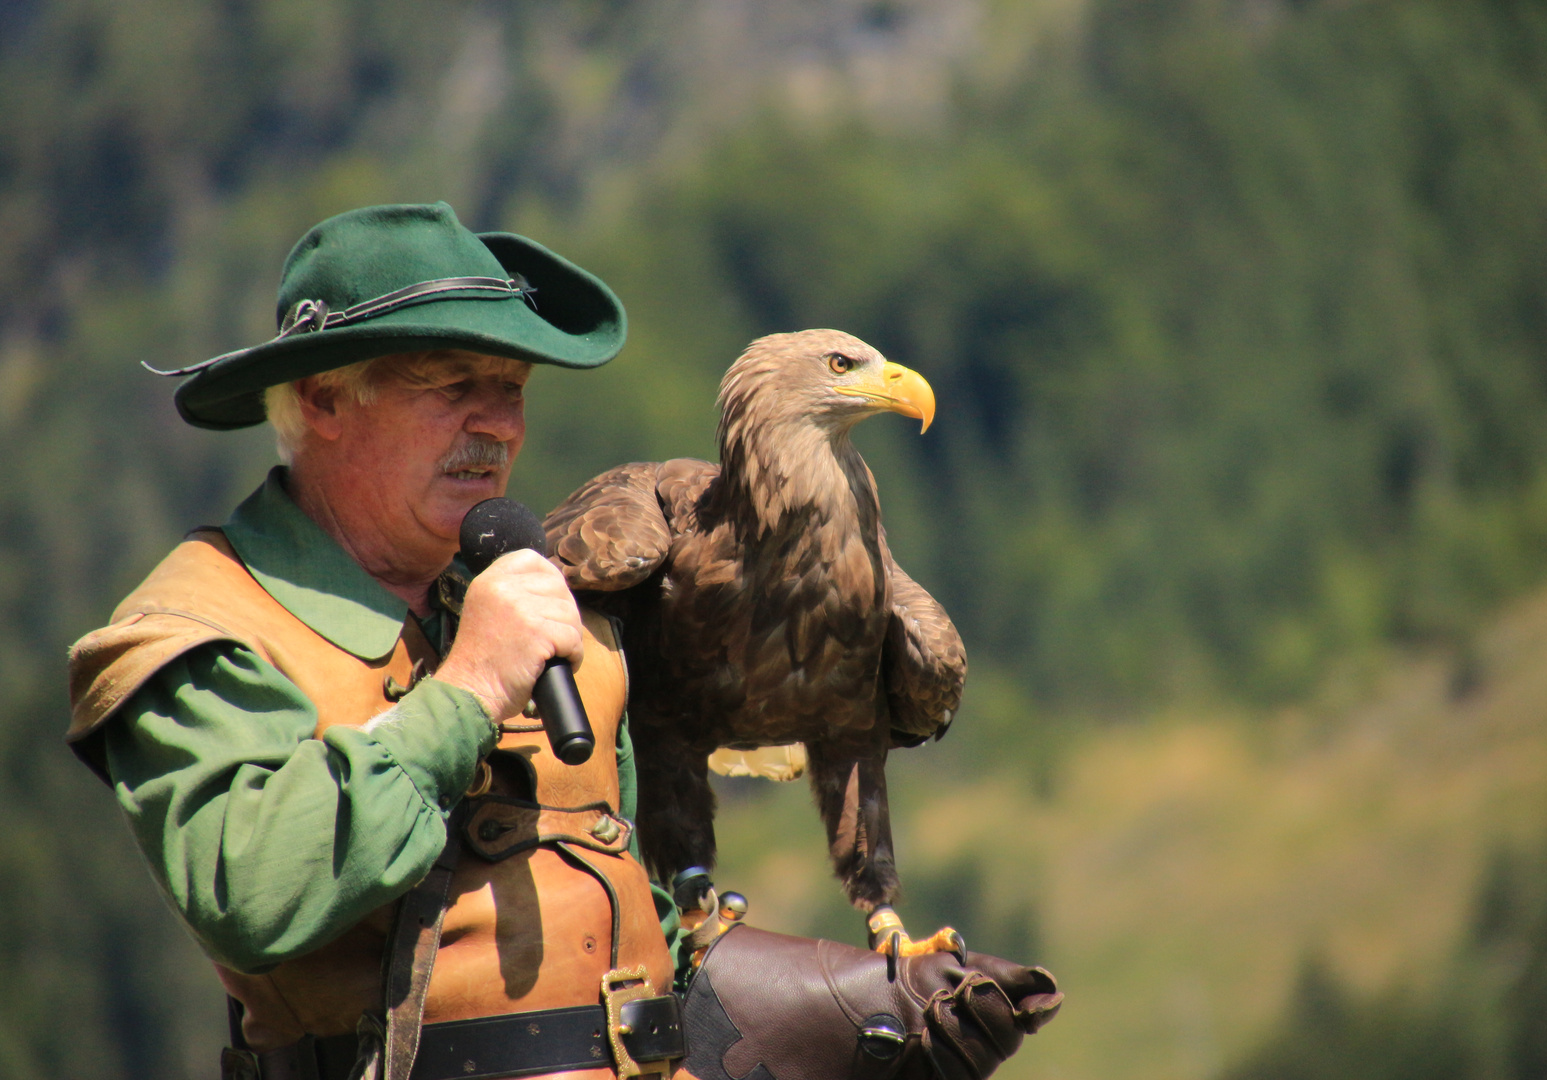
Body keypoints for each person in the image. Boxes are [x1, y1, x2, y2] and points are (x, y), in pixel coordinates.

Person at [67, 202, 1058, 1080]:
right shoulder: (204, 629)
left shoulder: (543, 602)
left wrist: (850, 1012)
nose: (499, 424)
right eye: (457, 385)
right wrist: (467, 689)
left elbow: (630, 910)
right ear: (325, 399)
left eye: (515, 388)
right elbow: (254, 889)